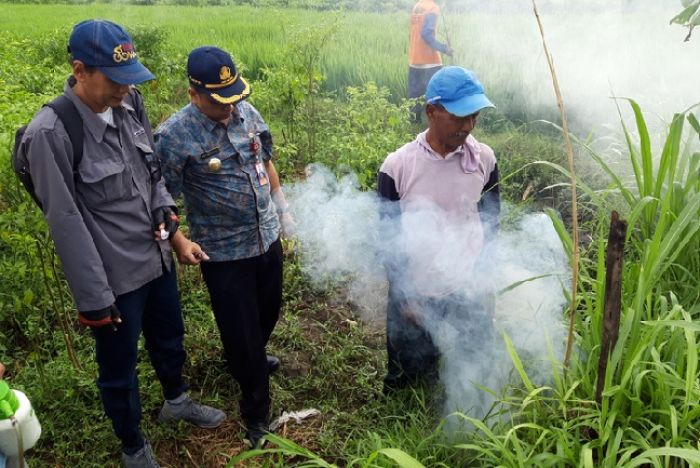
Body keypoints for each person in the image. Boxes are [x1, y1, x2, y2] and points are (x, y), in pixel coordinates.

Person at [17, 20, 226, 468]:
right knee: (118, 368)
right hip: (114, 277)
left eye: (130, 79)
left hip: (155, 256)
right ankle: (133, 445)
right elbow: (66, 222)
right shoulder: (50, 134)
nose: (125, 90)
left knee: (170, 335)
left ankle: (177, 401)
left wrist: (166, 214)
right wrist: (95, 299)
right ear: (79, 69)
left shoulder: (130, 102)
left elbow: (150, 172)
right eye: (115, 80)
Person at [154, 46, 294, 449]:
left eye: (234, 97)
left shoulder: (247, 113)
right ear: (192, 94)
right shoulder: (174, 135)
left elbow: (265, 161)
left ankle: (247, 358)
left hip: (266, 236)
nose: (229, 108)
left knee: (267, 312)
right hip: (224, 252)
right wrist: (179, 240)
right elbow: (161, 197)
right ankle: (256, 415)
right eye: (219, 101)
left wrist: (283, 211)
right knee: (243, 333)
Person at [377, 66, 500, 393]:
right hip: (416, 285)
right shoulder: (399, 166)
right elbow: (387, 237)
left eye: (474, 116)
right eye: (460, 117)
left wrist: (486, 275)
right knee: (409, 370)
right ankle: (401, 417)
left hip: (466, 281)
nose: (469, 126)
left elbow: (492, 219)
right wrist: (405, 296)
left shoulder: (484, 159)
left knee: (473, 359)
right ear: (432, 111)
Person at [408, 0, 454, 121]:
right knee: (436, 94)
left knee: (415, 97)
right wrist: (444, 49)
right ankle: (438, 123)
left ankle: (414, 124)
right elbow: (426, 34)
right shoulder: (432, 8)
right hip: (430, 61)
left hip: (414, 58)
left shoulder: (417, 6)